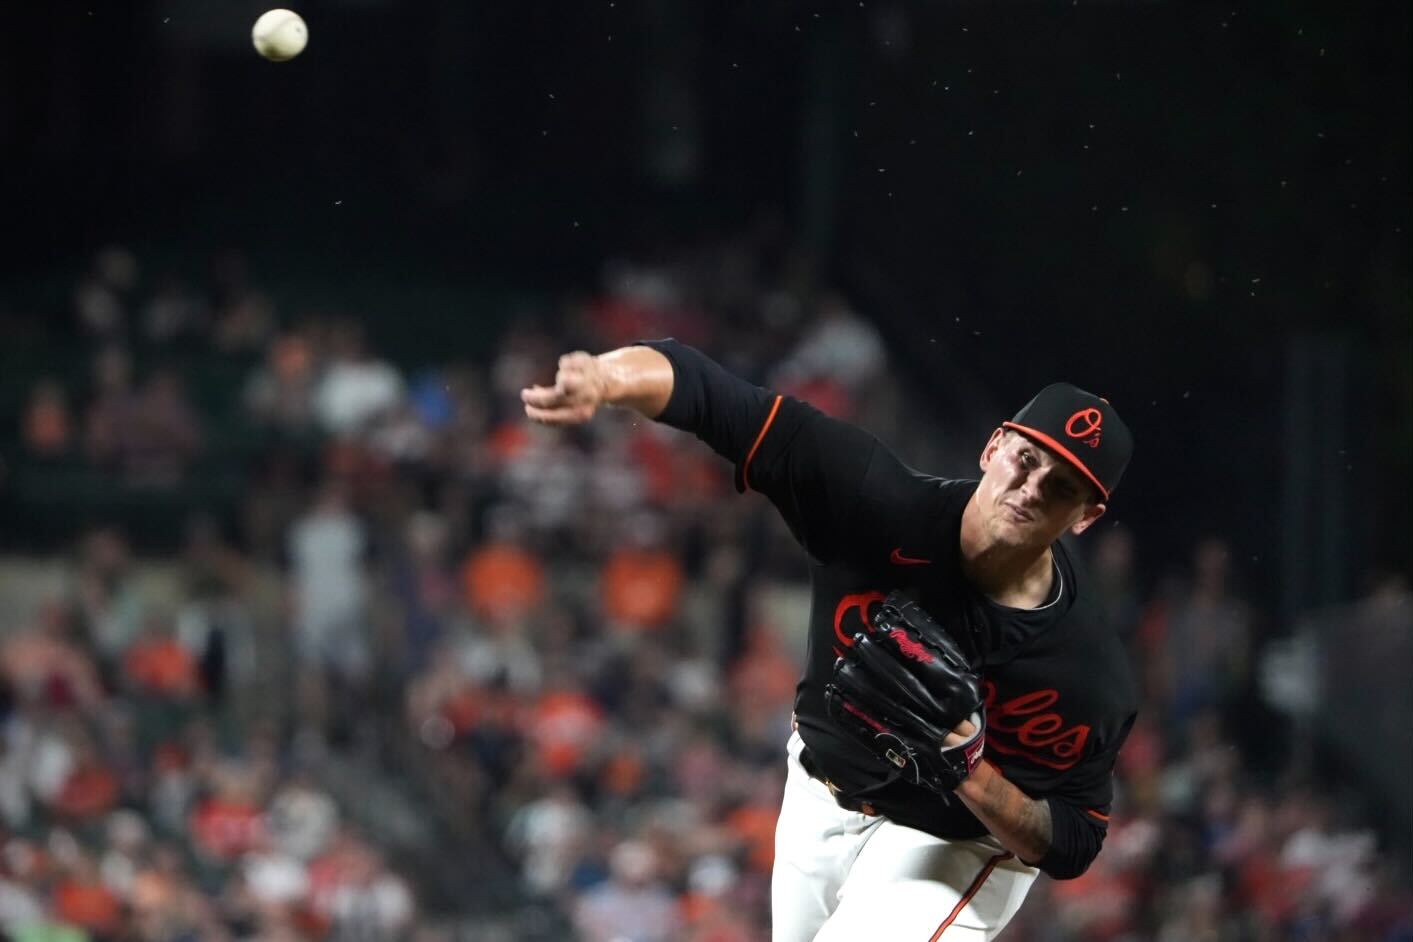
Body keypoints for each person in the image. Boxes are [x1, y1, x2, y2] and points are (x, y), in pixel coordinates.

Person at [521, 340, 1138, 940]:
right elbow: (711, 394)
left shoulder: (1082, 674)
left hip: (952, 845)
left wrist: (973, 774)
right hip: (817, 788)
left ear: (1085, 517)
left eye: (1061, 486)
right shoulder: (872, 500)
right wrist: (607, 380)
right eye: (1027, 460)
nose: (1030, 488)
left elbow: (1074, 839)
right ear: (993, 446)